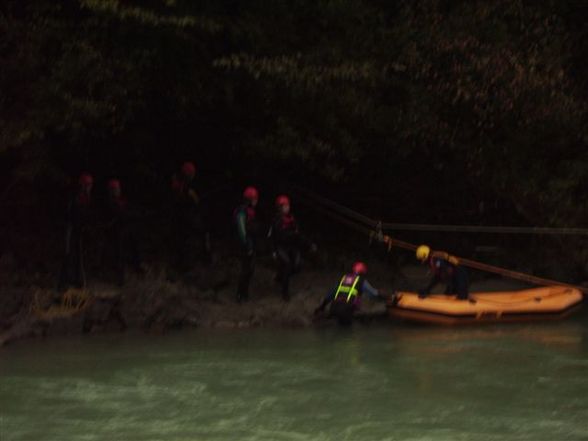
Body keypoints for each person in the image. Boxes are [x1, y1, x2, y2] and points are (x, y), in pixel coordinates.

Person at [268, 195, 317, 301]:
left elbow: (298, 235)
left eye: (287, 205)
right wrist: (273, 251)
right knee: (287, 266)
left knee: (297, 266)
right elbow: (272, 237)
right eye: (284, 206)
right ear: (279, 207)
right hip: (281, 247)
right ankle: (285, 292)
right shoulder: (276, 220)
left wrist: (308, 244)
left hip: (292, 246)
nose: (287, 208)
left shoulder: (291, 218)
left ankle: (280, 277)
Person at [170, 161, 211, 273]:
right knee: (187, 239)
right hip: (180, 217)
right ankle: (186, 264)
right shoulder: (178, 183)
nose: (193, 176)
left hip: (186, 215)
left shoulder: (185, 185)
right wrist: (190, 195)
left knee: (202, 232)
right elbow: (181, 200)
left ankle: (200, 258)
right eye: (191, 174)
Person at [314, 262, 385, 326]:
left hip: (334, 308)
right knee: (346, 333)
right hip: (346, 310)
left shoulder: (343, 279)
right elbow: (373, 293)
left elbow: (330, 294)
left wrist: (321, 307)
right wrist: (384, 297)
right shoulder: (361, 281)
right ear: (362, 273)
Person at [58, 173, 94, 291]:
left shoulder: (86, 197)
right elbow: (70, 214)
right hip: (70, 227)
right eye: (87, 185)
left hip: (78, 229)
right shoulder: (75, 196)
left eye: (90, 185)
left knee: (79, 254)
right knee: (67, 253)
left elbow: (86, 214)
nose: (89, 187)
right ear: (82, 185)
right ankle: (63, 283)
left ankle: (77, 280)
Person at [103, 179, 142, 286]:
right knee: (119, 252)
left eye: (117, 189)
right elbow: (116, 216)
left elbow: (129, 211)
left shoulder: (122, 200)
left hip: (126, 229)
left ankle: (136, 267)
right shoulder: (108, 203)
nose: (116, 191)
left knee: (135, 243)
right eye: (114, 189)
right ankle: (120, 278)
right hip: (115, 232)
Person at [234, 186, 259, 302]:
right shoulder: (242, 211)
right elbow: (241, 229)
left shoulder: (251, 211)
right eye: (254, 199)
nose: (256, 201)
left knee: (250, 269)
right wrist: (246, 244)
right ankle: (240, 294)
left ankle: (245, 293)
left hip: (251, 242)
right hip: (244, 244)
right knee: (245, 269)